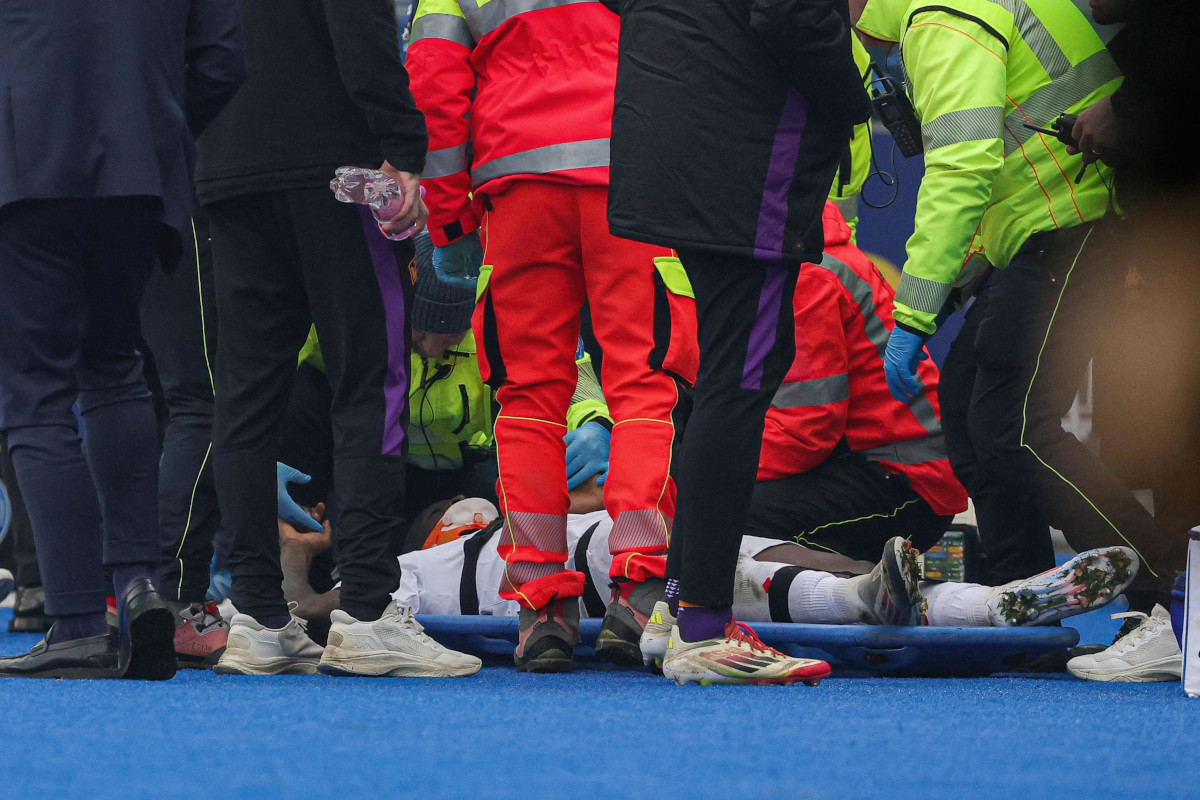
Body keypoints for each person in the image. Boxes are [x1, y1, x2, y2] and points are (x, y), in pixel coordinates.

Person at [854, 0, 1173, 605]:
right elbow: (994, 179)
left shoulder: (942, 17)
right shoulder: (941, 15)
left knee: (1018, 427)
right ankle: (1020, 605)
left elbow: (961, 168)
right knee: (973, 417)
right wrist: (944, 292)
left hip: (1076, 218)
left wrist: (917, 310)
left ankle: (1170, 595)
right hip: (1052, 220)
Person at [406, 0, 692, 673]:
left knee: (528, 399)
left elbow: (434, 75)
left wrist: (449, 224)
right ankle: (641, 584)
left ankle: (540, 606)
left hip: (516, 182)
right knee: (644, 389)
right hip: (633, 169)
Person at [196, 0, 478, 678]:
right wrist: (404, 149)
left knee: (246, 396)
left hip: (226, 162)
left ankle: (259, 615)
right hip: (334, 163)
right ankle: (371, 613)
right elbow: (361, 30)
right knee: (370, 382)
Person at [607, 0, 872, 685]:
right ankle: (702, 622)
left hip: (674, 137)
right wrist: (853, 100)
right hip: (742, 156)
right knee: (741, 379)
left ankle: (676, 609)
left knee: (727, 374)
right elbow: (792, 16)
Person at [0, 0, 244, 679]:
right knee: (115, 366)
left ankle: (78, 620)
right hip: (139, 167)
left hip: (22, 164)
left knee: (36, 394)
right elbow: (224, 58)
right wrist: (157, 122)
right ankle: (140, 585)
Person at [141, 208, 230, 669]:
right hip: (178, 203)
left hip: (103, 202)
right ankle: (172, 598)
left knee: (123, 398)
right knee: (200, 403)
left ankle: (124, 588)